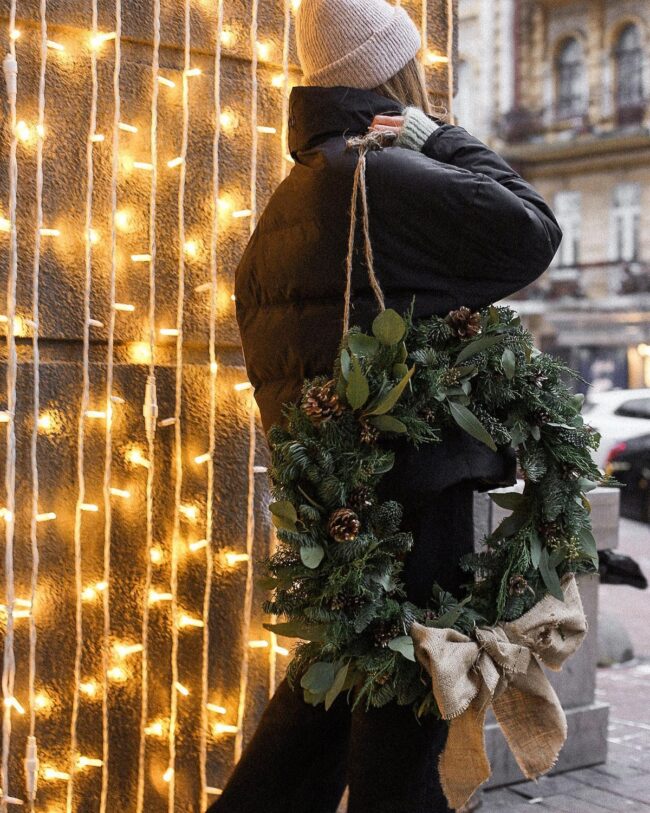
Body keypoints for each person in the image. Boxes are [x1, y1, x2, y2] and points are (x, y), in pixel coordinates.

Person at [208, 0, 562, 811]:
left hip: (341, 507)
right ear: (390, 76)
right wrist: (438, 136)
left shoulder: (288, 204)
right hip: (417, 496)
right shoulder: (390, 173)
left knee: (327, 708)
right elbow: (533, 230)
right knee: (403, 722)